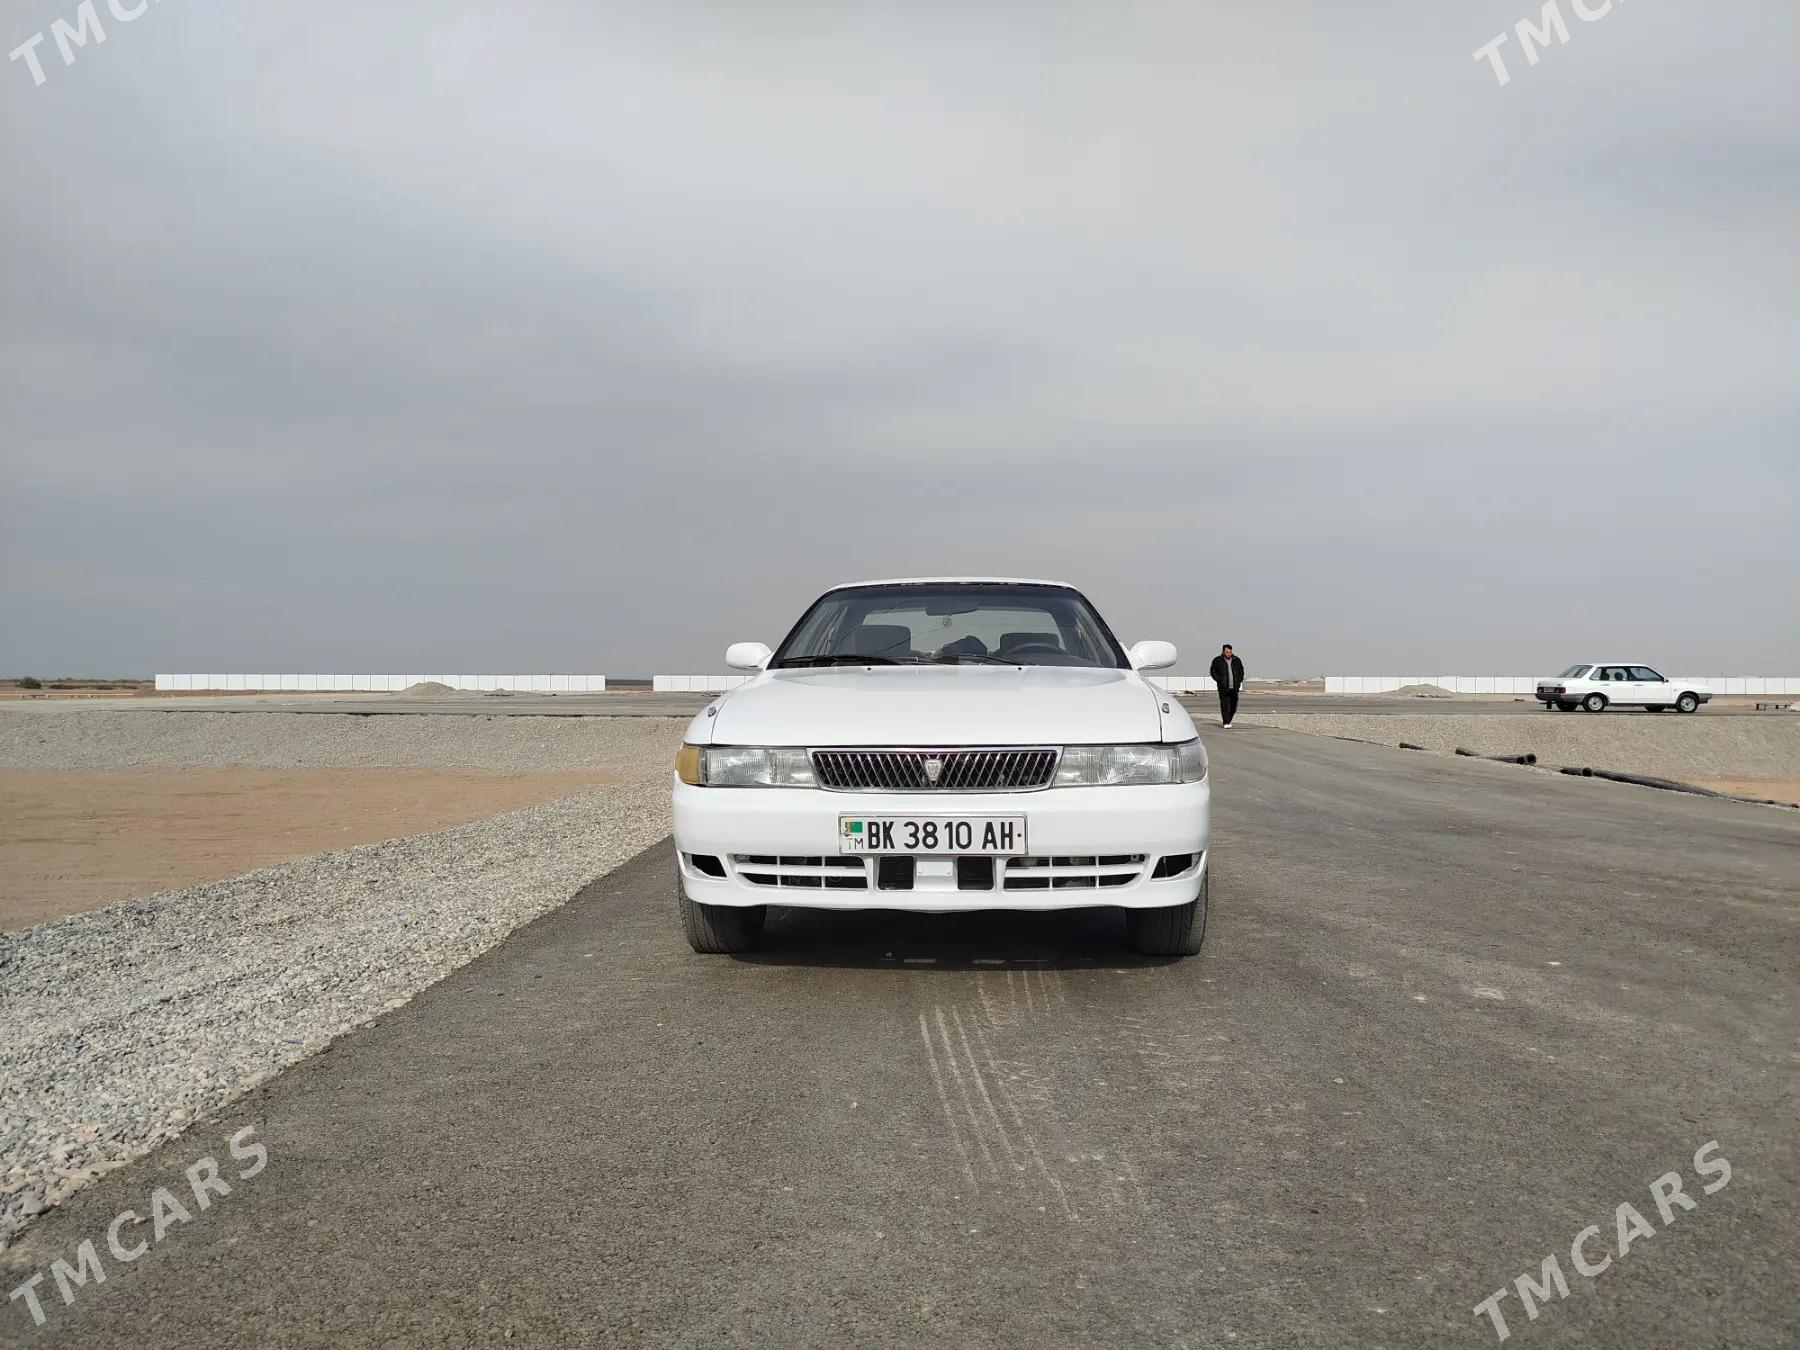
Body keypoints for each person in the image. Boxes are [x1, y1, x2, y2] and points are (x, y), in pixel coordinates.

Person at [1209, 643, 1244, 727]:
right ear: (1223, 651)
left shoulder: (1236, 660)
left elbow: (1241, 671)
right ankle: (1226, 722)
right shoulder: (1217, 660)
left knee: (1233, 707)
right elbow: (1213, 672)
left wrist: (1239, 681)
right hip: (1223, 688)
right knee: (1225, 706)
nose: (1229, 654)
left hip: (1234, 688)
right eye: (1227, 652)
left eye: (1230, 652)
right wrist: (1220, 680)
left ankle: (1229, 720)